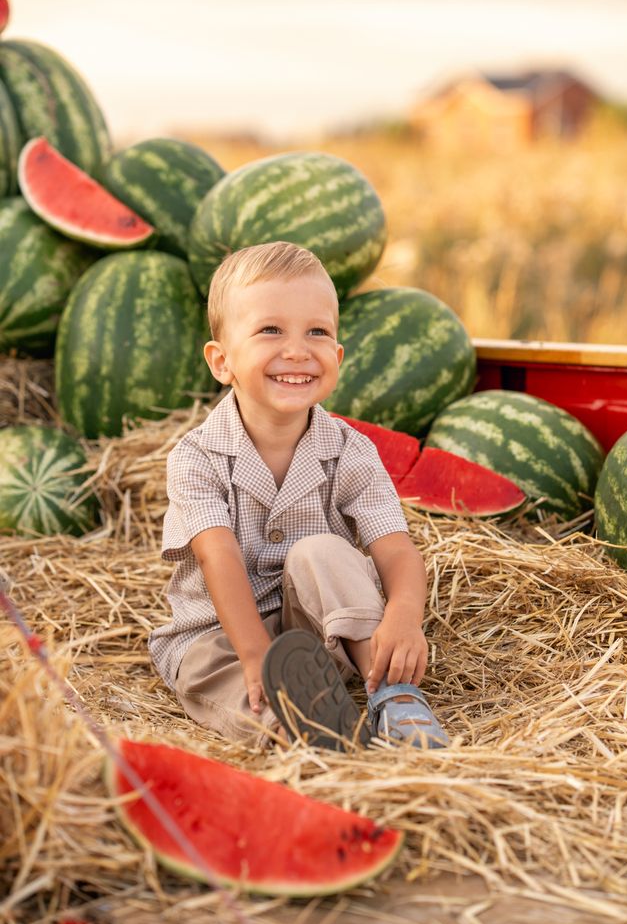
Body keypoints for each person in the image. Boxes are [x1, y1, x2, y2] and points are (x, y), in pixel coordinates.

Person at [149, 240, 448, 750]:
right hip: (218, 637)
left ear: (337, 355)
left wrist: (403, 617)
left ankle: (391, 691)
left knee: (323, 551)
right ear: (222, 362)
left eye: (317, 332)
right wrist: (254, 656)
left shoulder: (352, 451)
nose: (297, 350)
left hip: (320, 629)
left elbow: (396, 548)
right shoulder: (195, 458)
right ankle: (302, 728)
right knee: (230, 689)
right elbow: (218, 557)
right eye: (270, 330)